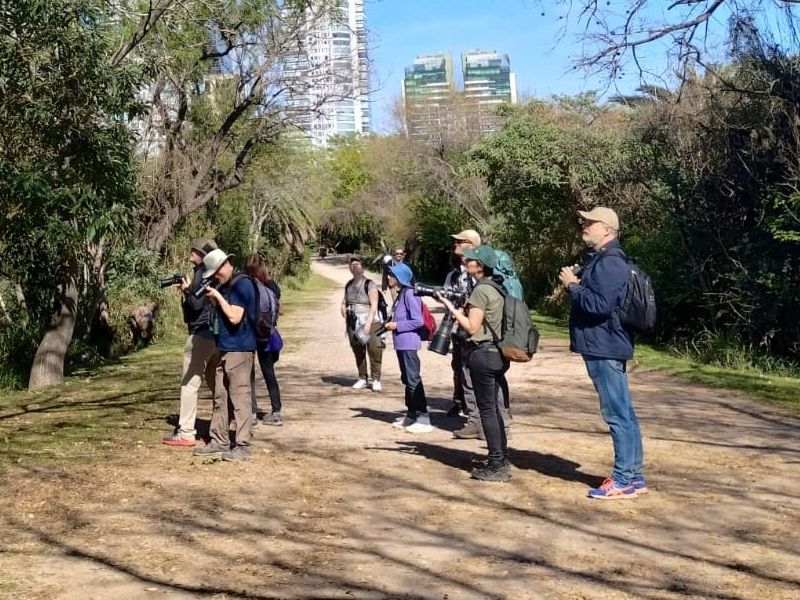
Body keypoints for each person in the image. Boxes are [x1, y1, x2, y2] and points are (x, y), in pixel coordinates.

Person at [558, 206, 646, 499]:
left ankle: (622, 480)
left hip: (604, 345)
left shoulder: (610, 262)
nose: (584, 225)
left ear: (607, 230)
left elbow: (600, 306)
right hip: (605, 343)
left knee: (617, 413)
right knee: (624, 412)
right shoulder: (605, 260)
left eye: (590, 222)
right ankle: (634, 477)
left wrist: (573, 286)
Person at [436, 245, 511, 482]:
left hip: (483, 353)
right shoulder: (496, 287)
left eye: (471, 260)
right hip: (497, 353)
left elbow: (472, 327)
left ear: (480, 267)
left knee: (486, 410)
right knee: (494, 408)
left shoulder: (481, 291)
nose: (466, 261)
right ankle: (501, 458)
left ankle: (497, 464)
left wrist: (450, 307)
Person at [193, 248, 257, 462]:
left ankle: (243, 445)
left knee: (240, 398)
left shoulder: (242, 285)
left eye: (215, 273)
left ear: (225, 265)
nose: (215, 278)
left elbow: (235, 317)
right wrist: (215, 300)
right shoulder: (227, 285)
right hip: (224, 348)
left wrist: (218, 297)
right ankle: (219, 440)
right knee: (221, 397)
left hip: (240, 350)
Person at [163, 238, 219, 447]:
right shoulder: (214, 273)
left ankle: (186, 432)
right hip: (215, 334)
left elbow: (195, 305)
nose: (190, 252)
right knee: (216, 384)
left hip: (200, 335)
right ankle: (220, 427)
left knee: (189, 384)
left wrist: (186, 290)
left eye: (193, 250)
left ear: (202, 255)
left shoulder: (202, 273)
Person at [383, 263, 432, 433]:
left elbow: (418, 321)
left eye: (391, 275)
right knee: (406, 379)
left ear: (400, 278)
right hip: (401, 343)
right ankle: (411, 414)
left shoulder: (410, 293)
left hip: (409, 342)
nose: (388, 277)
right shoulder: (402, 293)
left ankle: (423, 417)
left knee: (413, 379)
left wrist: (397, 325)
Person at [244, 254, 283, 427]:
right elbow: (280, 310)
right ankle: (276, 411)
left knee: (249, 374)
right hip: (267, 335)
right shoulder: (271, 285)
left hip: (248, 334)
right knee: (269, 373)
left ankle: (252, 413)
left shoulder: (245, 285)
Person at [341, 256, 385, 391]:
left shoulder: (369, 284)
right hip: (353, 322)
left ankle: (376, 379)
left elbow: (374, 305)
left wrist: (368, 323)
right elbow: (344, 302)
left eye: (357, 264)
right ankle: (362, 378)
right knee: (358, 349)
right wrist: (345, 313)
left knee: (375, 349)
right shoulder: (349, 285)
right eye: (352, 265)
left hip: (370, 321)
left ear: (363, 267)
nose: (354, 266)